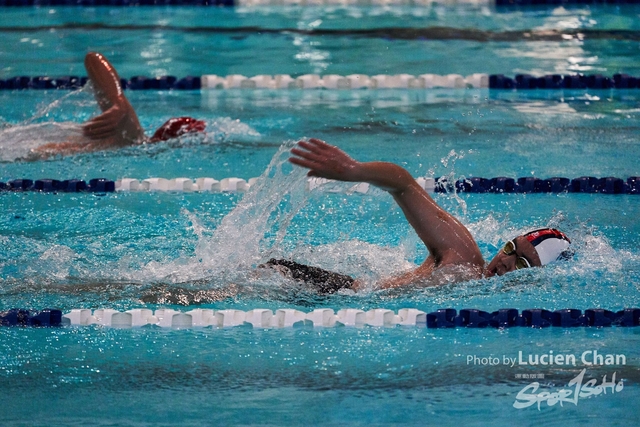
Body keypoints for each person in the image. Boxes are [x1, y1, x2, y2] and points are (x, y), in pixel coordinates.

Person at [263, 138, 571, 293]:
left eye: (522, 263)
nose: (505, 261)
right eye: (509, 248)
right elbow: (403, 184)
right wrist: (353, 170)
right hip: (330, 292)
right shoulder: (464, 259)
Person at [31, 52, 205, 158]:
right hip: (33, 151)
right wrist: (118, 102)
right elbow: (93, 58)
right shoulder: (131, 135)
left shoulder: (130, 142)